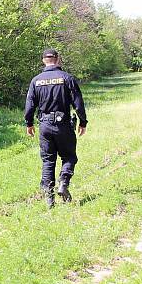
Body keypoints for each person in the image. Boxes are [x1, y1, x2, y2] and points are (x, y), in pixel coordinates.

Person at [24, 49, 88, 207]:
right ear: (58, 59)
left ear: (43, 60)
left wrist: (29, 123)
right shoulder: (67, 78)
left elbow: (30, 104)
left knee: (48, 160)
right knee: (69, 157)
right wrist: (83, 122)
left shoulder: (36, 81)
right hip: (63, 124)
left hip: (45, 125)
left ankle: (49, 198)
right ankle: (63, 183)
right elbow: (78, 103)